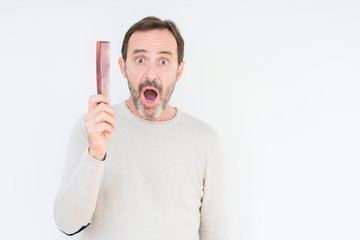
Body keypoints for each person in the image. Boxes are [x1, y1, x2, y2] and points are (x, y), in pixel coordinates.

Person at [54, 16, 228, 240]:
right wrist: (95, 153)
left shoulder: (206, 141)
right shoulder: (93, 127)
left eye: (163, 61)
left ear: (179, 70)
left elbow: (215, 233)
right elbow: (67, 223)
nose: (150, 75)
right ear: (122, 67)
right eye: (140, 60)